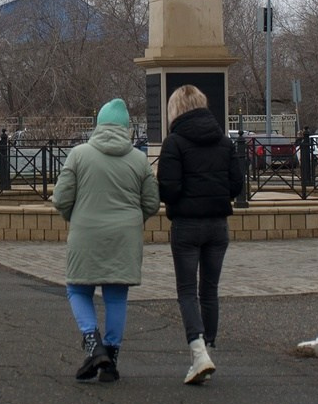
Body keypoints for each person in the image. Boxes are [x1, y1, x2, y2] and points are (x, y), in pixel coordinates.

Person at [51, 99, 159, 383]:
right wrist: (132, 221)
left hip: (85, 233)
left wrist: (75, 217)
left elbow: (61, 199)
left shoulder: (79, 155)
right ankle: (110, 359)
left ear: (98, 125)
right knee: (116, 296)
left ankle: (92, 343)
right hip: (124, 237)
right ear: (125, 128)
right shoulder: (139, 159)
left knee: (77, 289)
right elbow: (151, 202)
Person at [156, 85, 244, 384]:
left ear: (175, 109)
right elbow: (236, 184)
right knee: (209, 289)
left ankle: (198, 351)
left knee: (186, 291)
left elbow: (168, 189)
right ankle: (209, 344)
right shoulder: (224, 141)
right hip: (218, 224)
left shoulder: (174, 143)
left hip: (186, 225)